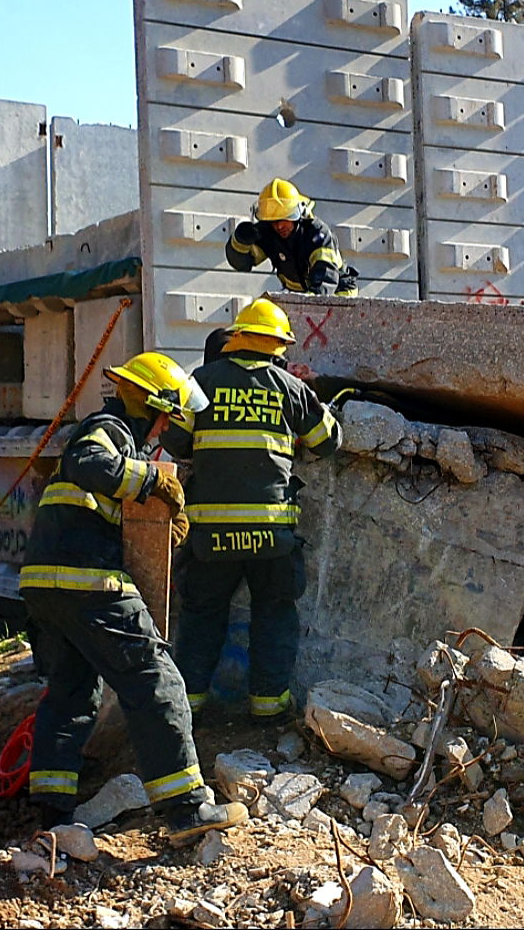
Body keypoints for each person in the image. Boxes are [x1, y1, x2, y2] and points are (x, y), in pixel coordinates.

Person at [19, 351, 248, 845]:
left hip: (44, 583)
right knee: (155, 679)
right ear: (153, 405)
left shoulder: (115, 434)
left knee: (72, 694)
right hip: (87, 580)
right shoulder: (109, 428)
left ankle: (53, 819)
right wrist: (152, 480)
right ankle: (187, 810)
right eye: (168, 416)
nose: (168, 427)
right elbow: (89, 463)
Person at [160, 300, 342, 723]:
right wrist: (319, 397)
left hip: (210, 535)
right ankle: (268, 705)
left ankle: (188, 706)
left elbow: (175, 442)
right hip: (271, 533)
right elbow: (327, 442)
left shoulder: (200, 382)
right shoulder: (289, 387)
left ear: (237, 337)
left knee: (202, 615)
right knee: (274, 612)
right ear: (279, 346)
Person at [225, 178, 359, 296]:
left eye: (284, 219)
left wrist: (309, 303)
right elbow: (242, 263)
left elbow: (325, 277)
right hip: (301, 297)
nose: (279, 226)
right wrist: (240, 241)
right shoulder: (269, 232)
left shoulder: (318, 234)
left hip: (338, 294)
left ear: (297, 214)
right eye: (273, 221)